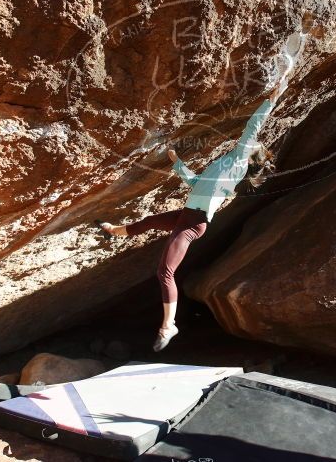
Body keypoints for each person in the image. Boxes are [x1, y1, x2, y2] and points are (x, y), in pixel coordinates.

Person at [96, 83, 284, 352]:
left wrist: (270, 100)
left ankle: (168, 326)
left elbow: (253, 127)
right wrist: (176, 161)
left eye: (255, 145)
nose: (252, 142)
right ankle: (113, 230)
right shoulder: (227, 163)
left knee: (165, 272)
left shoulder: (240, 159)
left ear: (251, 152)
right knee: (148, 222)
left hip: (194, 224)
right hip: (186, 214)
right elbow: (195, 182)